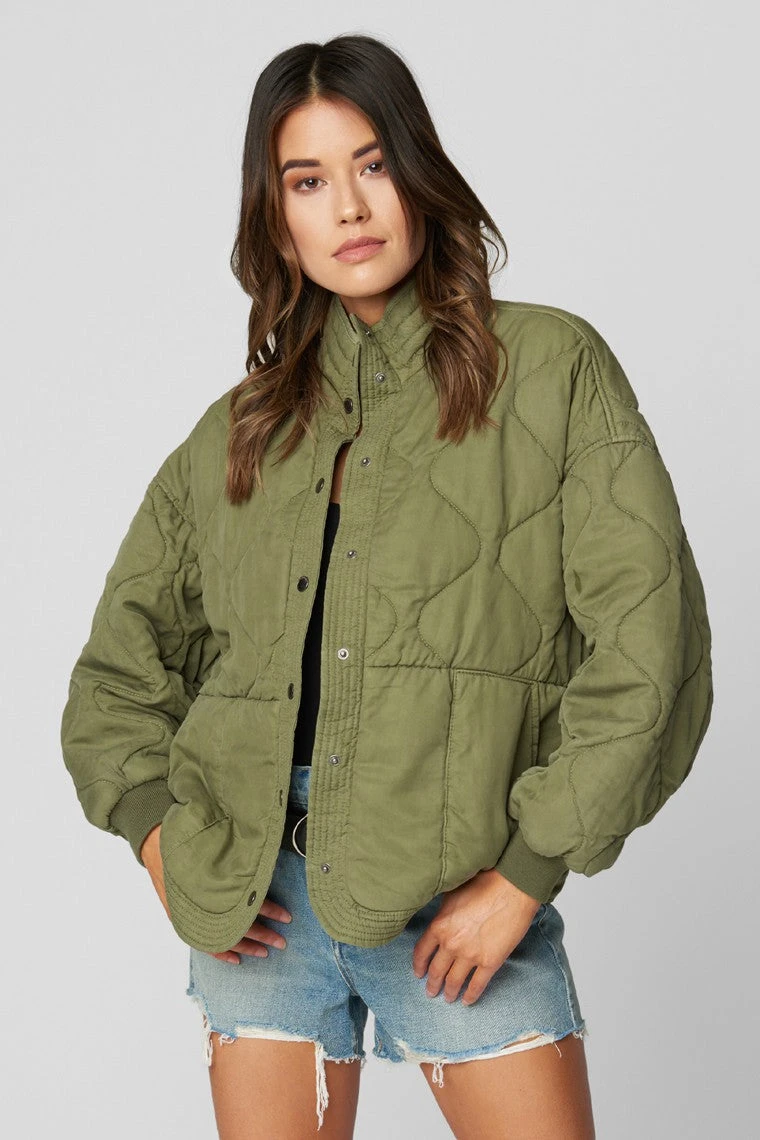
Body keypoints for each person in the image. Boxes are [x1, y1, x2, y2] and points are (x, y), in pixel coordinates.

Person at [60, 32, 713, 1140]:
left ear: (417, 172)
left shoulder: (552, 370)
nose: (350, 207)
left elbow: (652, 650)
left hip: (460, 901)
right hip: (259, 911)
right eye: (308, 182)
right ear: (276, 218)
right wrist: (163, 841)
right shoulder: (239, 431)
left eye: (371, 165)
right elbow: (115, 677)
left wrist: (525, 876)